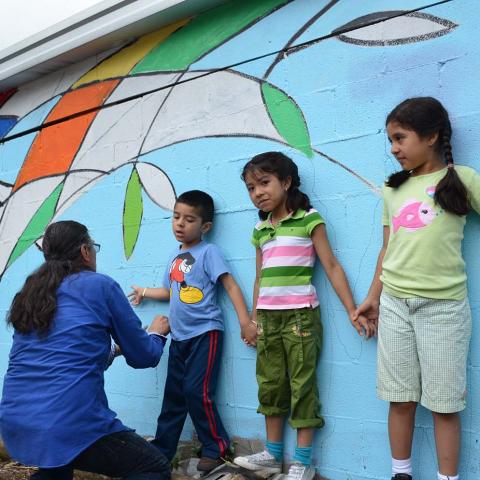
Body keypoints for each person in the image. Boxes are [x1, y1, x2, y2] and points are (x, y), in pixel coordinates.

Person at [355, 97, 480, 480]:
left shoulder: (463, 179)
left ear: (431, 136)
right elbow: (387, 248)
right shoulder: (392, 190)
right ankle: (401, 473)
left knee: (444, 404)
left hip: (443, 308)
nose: (393, 149)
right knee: (401, 398)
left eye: (400, 138)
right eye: (390, 140)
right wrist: (373, 298)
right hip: (394, 305)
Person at [233, 152, 374, 480]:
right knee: (270, 385)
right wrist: (254, 320)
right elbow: (260, 277)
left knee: (302, 386)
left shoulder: (309, 219)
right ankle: (272, 455)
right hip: (267, 319)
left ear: (286, 182)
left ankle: (303, 462)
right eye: (251, 188)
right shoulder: (260, 229)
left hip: (300, 318)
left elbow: (332, 267)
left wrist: (352, 308)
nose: (258, 192)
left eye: (264, 183)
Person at [0, 220, 171, 480]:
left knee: (58, 466)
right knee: (153, 466)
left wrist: (114, 351)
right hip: (68, 422)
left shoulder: (31, 291)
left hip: (17, 421)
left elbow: (63, 356)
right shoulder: (99, 285)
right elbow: (144, 356)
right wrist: (157, 334)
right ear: (85, 251)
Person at [129, 190, 256, 473]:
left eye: (188, 219)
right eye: (176, 217)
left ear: (205, 227)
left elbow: (230, 285)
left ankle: (217, 447)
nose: (180, 224)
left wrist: (245, 321)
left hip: (205, 334)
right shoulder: (176, 256)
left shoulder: (209, 252)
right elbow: (171, 291)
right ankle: (162, 450)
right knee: (174, 394)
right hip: (180, 337)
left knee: (196, 391)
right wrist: (145, 292)